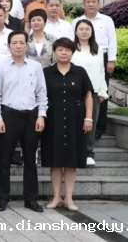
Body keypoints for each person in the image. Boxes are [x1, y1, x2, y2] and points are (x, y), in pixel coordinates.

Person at [0, 31, 47, 213]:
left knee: (30, 159)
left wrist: (41, 115)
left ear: (27, 45)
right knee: (4, 159)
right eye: (14, 43)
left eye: (21, 43)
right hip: (8, 116)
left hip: (30, 117)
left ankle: (31, 199)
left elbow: (41, 93)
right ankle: (2, 198)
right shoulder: (1, 67)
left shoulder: (35, 67)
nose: (18, 46)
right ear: (8, 46)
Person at [42, 38, 94, 211]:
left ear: (72, 52)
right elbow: (40, 95)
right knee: (55, 160)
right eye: (60, 49)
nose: (64, 53)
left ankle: (69, 198)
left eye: (67, 50)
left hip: (75, 120)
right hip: (53, 120)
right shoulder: (46, 73)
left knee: (71, 161)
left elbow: (88, 95)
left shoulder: (80, 72)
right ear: (55, 51)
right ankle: (56, 197)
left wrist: (88, 118)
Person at [73, 0, 117, 140]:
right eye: (88, 2)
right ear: (83, 4)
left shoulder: (107, 20)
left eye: (94, 2)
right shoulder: (77, 21)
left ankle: (99, 126)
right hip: (79, 57)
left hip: (100, 57)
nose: (91, 4)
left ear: (98, 4)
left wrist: (111, 60)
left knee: (100, 93)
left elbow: (112, 40)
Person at [71, 20, 108, 167]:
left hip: (93, 91)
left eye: (87, 29)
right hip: (74, 90)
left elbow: (101, 70)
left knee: (90, 122)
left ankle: (88, 153)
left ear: (92, 32)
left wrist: (103, 90)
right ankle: (73, 152)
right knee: (73, 123)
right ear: (76, 32)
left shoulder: (98, 49)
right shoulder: (71, 48)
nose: (84, 31)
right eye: (81, 29)